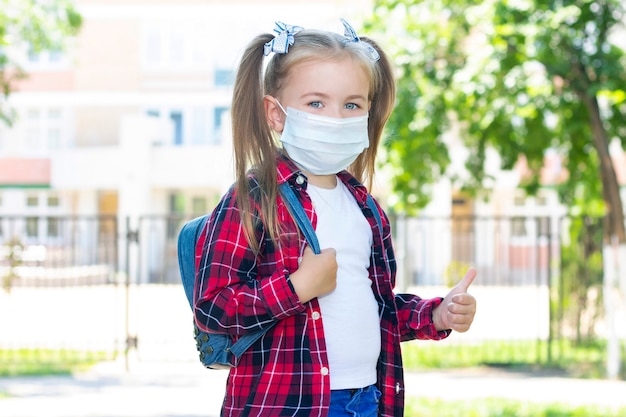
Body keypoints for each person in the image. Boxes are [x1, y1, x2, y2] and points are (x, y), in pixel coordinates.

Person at [193, 18, 477, 417]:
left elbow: (377, 307)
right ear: (275, 114)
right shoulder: (254, 197)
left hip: (365, 400)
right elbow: (212, 308)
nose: (336, 118)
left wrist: (436, 314)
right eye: (315, 103)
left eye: (351, 104)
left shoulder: (365, 207)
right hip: (287, 406)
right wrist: (296, 287)